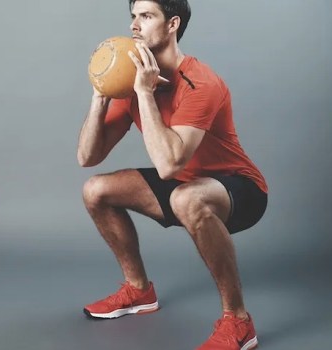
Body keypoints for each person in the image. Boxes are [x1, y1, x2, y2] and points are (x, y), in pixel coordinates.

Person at [77, 1, 267, 349]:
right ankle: (138, 291)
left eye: (146, 16)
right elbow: (87, 157)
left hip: (239, 188)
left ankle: (239, 322)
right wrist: (100, 94)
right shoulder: (133, 85)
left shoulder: (201, 83)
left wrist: (144, 94)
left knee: (186, 197)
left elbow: (169, 166)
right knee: (96, 189)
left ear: (172, 24)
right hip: (185, 182)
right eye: (133, 16)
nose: (135, 25)